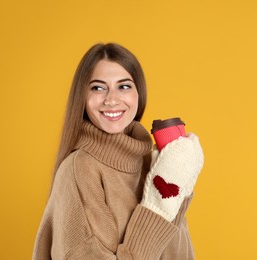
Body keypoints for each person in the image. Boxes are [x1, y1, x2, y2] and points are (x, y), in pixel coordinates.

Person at [32, 43, 204, 260]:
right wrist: (157, 210)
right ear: (82, 98)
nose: (111, 100)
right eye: (98, 87)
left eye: (123, 86)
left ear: (138, 93)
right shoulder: (80, 170)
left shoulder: (154, 167)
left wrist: (178, 187)